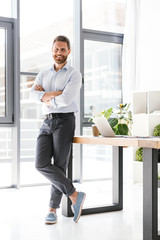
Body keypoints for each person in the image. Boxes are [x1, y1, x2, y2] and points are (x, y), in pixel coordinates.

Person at [30, 35, 86, 224]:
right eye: (56, 49)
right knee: (41, 163)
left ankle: (52, 210)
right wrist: (55, 94)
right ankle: (74, 194)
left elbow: (66, 100)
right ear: (51, 50)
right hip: (46, 122)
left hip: (65, 121)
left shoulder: (74, 74)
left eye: (63, 49)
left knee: (60, 164)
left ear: (68, 51)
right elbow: (32, 95)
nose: (59, 53)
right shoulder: (44, 73)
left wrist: (44, 97)